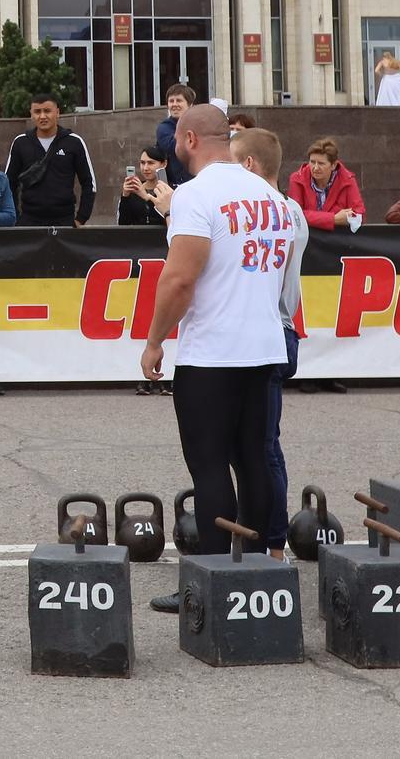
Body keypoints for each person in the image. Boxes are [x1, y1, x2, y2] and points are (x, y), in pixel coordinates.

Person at [140, 104, 288, 601]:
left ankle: (208, 581)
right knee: (252, 459)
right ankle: (257, 571)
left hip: (213, 351)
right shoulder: (270, 195)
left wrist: (156, 338)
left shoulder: (195, 195)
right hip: (264, 344)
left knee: (208, 466)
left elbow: (180, 278)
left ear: (187, 140)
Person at [230, 127, 312, 545]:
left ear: (248, 165)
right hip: (275, 329)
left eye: (232, 161)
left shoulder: (275, 211)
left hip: (270, 331)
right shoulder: (290, 210)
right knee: (253, 448)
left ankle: (273, 543)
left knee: (262, 449)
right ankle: (259, 539)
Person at [4, 96, 98, 227]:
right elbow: (8, 183)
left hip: (65, 221)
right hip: (29, 221)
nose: (42, 116)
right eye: (37, 112)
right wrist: (15, 218)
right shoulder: (20, 142)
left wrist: (81, 218)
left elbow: (89, 183)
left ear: (57, 113)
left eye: (47, 111)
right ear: (31, 115)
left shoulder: (74, 142)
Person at [285, 138, 366, 232]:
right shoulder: (297, 179)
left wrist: (312, 217)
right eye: (312, 162)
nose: (315, 168)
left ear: (333, 165)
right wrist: (334, 219)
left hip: (337, 242)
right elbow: (295, 216)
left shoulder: (347, 180)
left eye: (321, 163)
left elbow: (360, 215)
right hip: (307, 241)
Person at [151, 84, 196, 189]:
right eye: (171, 101)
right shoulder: (164, 128)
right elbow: (174, 147)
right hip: (175, 186)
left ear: (190, 105)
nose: (174, 104)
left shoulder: (199, 124)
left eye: (179, 100)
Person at [116, 145, 173, 227]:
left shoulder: (172, 191)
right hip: (137, 238)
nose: (145, 168)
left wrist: (146, 197)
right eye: (142, 163)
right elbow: (122, 224)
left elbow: (170, 222)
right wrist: (125, 197)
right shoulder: (134, 190)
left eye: (151, 163)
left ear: (164, 164)